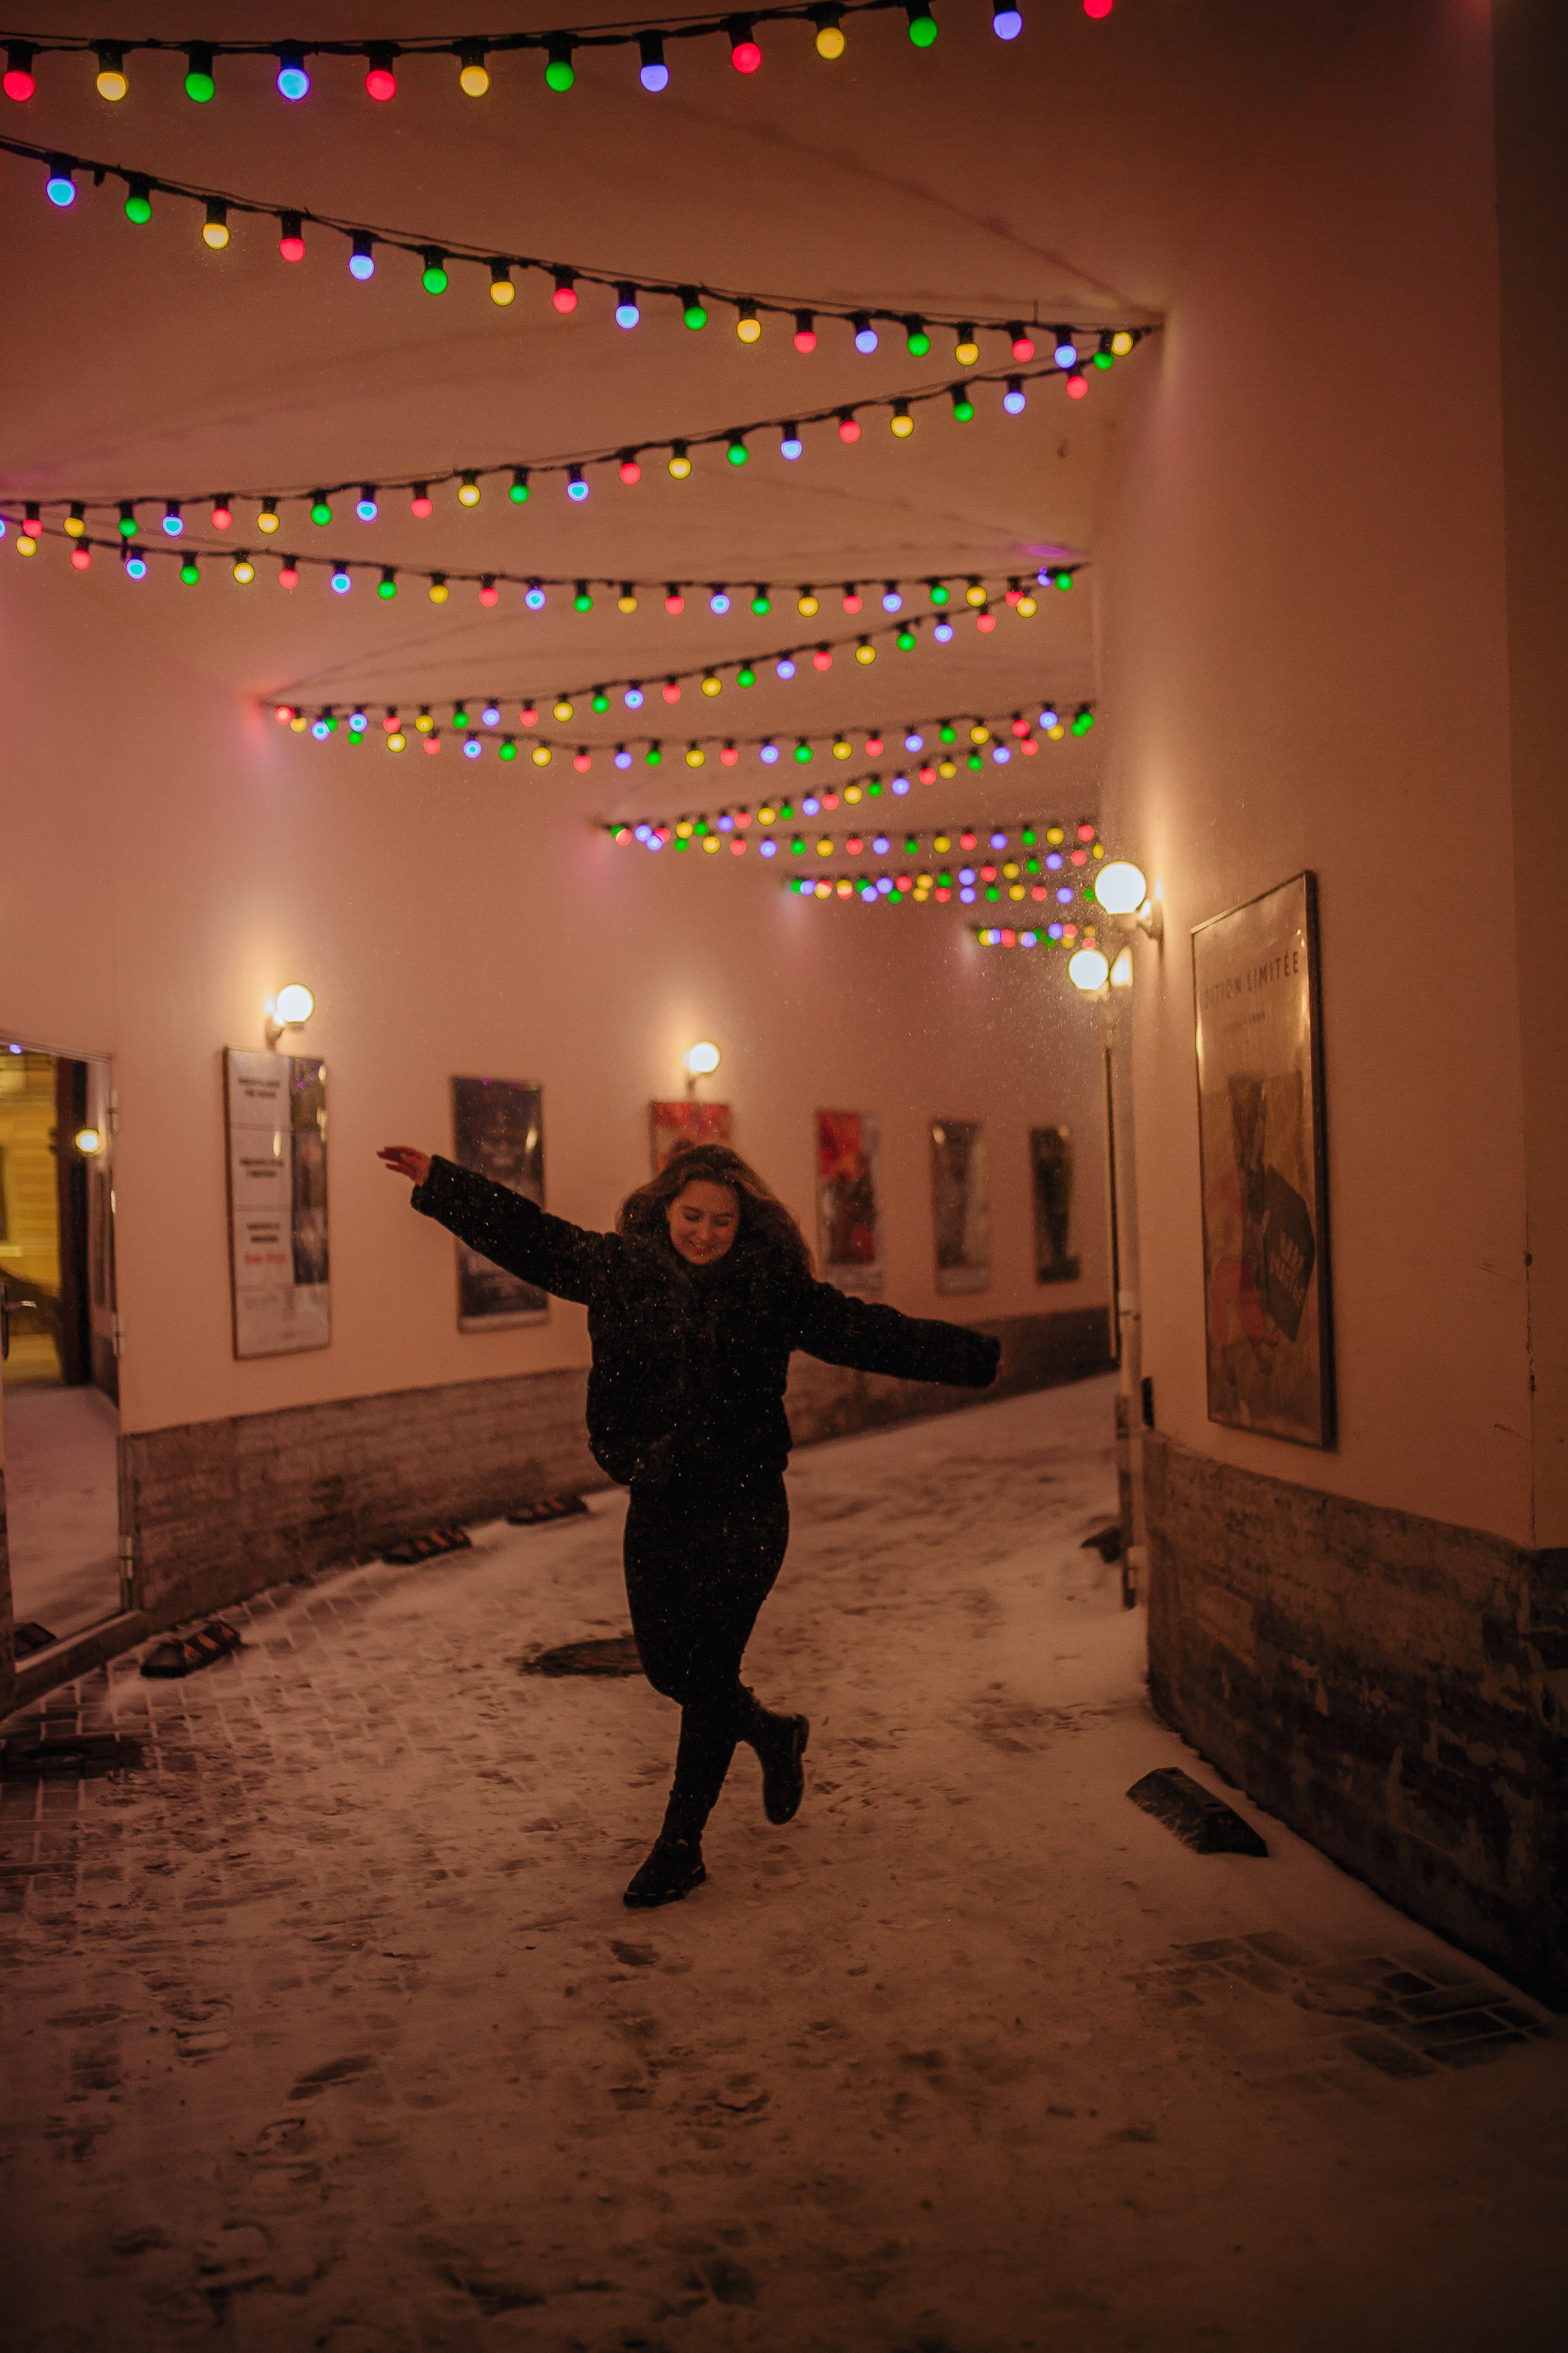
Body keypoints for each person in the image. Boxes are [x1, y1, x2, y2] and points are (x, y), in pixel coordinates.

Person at [379, 1139, 1001, 1909]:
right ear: (665, 1209)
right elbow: (531, 1238)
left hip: (746, 1504)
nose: (705, 1232)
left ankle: (680, 1846)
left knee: (705, 1672)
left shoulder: (771, 1289)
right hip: (661, 1497)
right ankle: (771, 1733)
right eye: (692, 1216)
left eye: (722, 1221)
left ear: (746, 1225)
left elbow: (865, 1331)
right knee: (669, 1667)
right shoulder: (620, 1271)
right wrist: (442, 1183)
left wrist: (972, 1357)